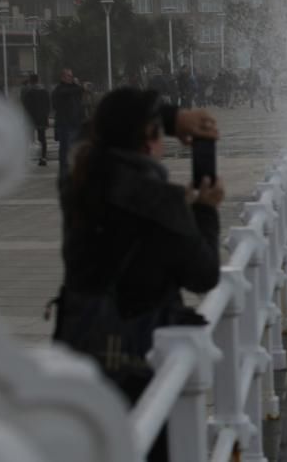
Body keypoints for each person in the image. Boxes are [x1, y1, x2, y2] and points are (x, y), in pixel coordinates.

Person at [53, 88, 224, 462]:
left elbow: (91, 130)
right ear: (148, 139)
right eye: (158, 132)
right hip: (140, 360)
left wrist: (168, 118)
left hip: (80, 346)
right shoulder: (160, 201)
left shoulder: (78, 183)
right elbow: (205, 274)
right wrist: (206, 212)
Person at [51, 68, 86, 181]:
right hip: (65, 125)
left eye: (71, 76)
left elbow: (80, 101)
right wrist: (78, 86)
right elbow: (64, 94)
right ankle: (64, 173)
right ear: (62, 77)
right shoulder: (59, 90)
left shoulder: (74, 90)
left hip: (75, 124)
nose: (70, 78)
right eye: (68, 76)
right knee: (65, 150)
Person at [20, 73, 51, 167]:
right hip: (41, 118)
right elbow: (48, 105)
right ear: (38, 80)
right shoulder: (44, 91)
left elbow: (25, 105)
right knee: (42, 138)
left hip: (31, 118)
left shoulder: (28, 91)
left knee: (28, 138)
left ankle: (26, 158)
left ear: (30, 80)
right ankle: (43, 158)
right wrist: (46, 116)